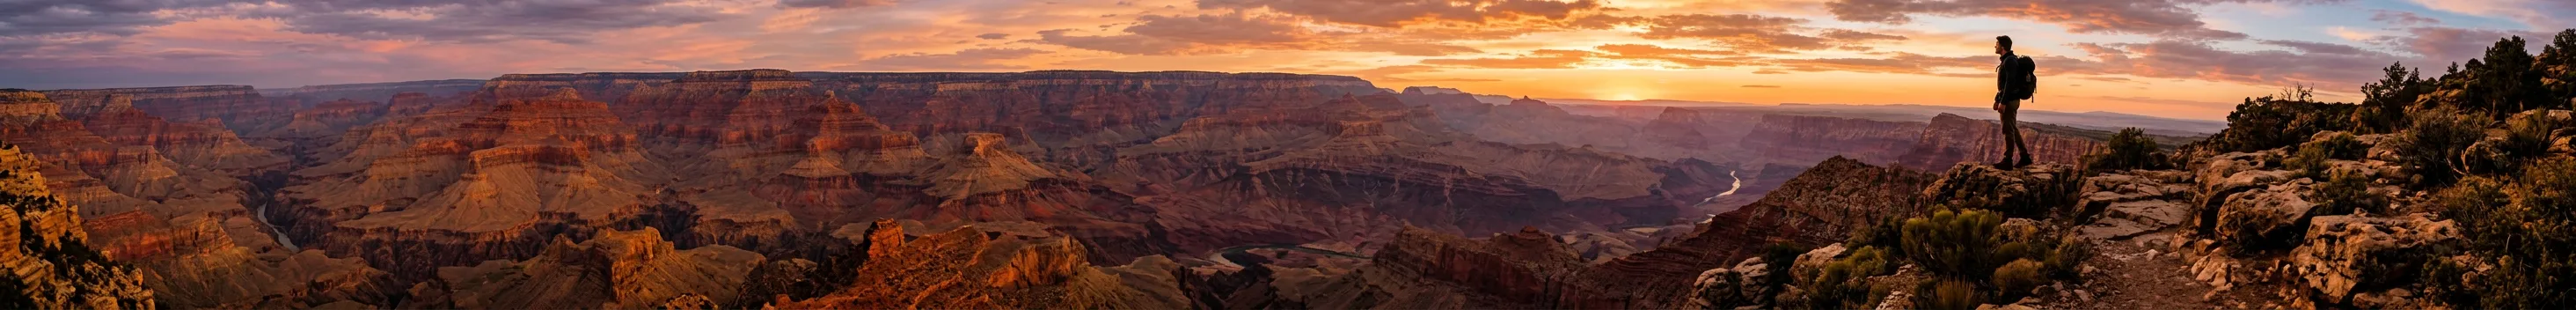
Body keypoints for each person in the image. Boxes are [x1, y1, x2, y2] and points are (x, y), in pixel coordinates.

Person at [1994, 35, 2033, 168]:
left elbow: (2010, 83)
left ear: (2003, 46)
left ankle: (2008, 160)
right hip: (2010, 99)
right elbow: (2004, 84)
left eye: (1997, 44)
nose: (1995, 46)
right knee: (2013, 129)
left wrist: (2003, 102)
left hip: (2010, 101)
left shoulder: (2009, 61)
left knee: (2007, 130)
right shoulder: (2008, 60)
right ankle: (2025, 156)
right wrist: (1997, 99)